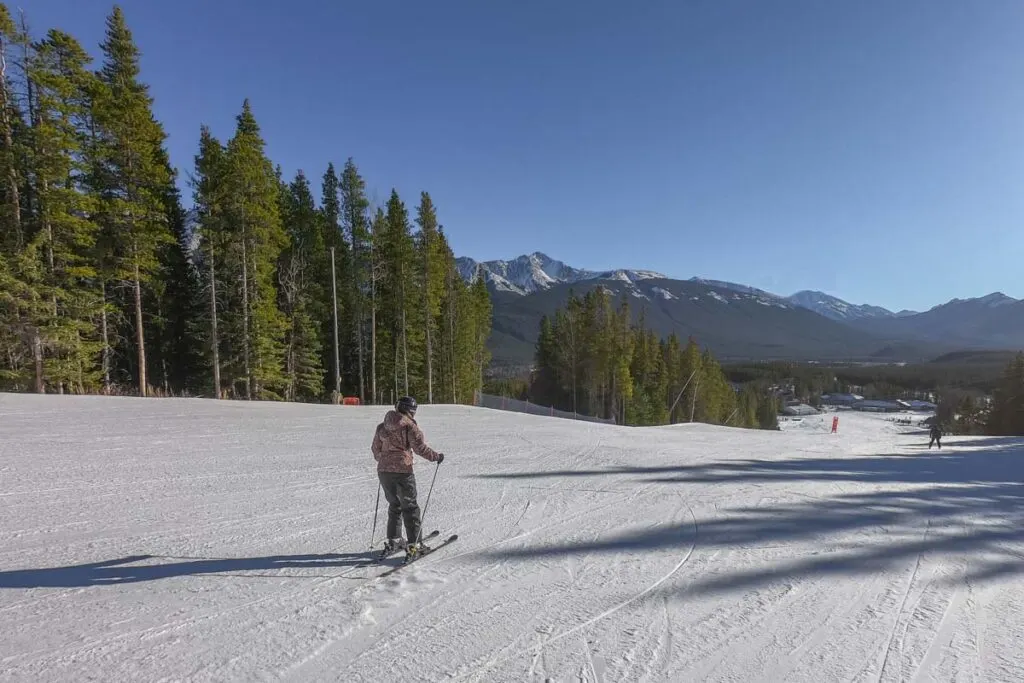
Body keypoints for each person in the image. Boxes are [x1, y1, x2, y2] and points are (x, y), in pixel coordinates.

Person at [371, 396, 444, 560]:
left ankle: (394, 540)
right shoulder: (409, 426)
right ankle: (414, 545)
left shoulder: (382, 427)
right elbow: (419, 448)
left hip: (384, 471)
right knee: (410, 507)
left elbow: (375, 449)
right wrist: (436, 457)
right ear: (410, 410)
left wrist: (385, 460)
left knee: (394, 505)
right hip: (403, 471)